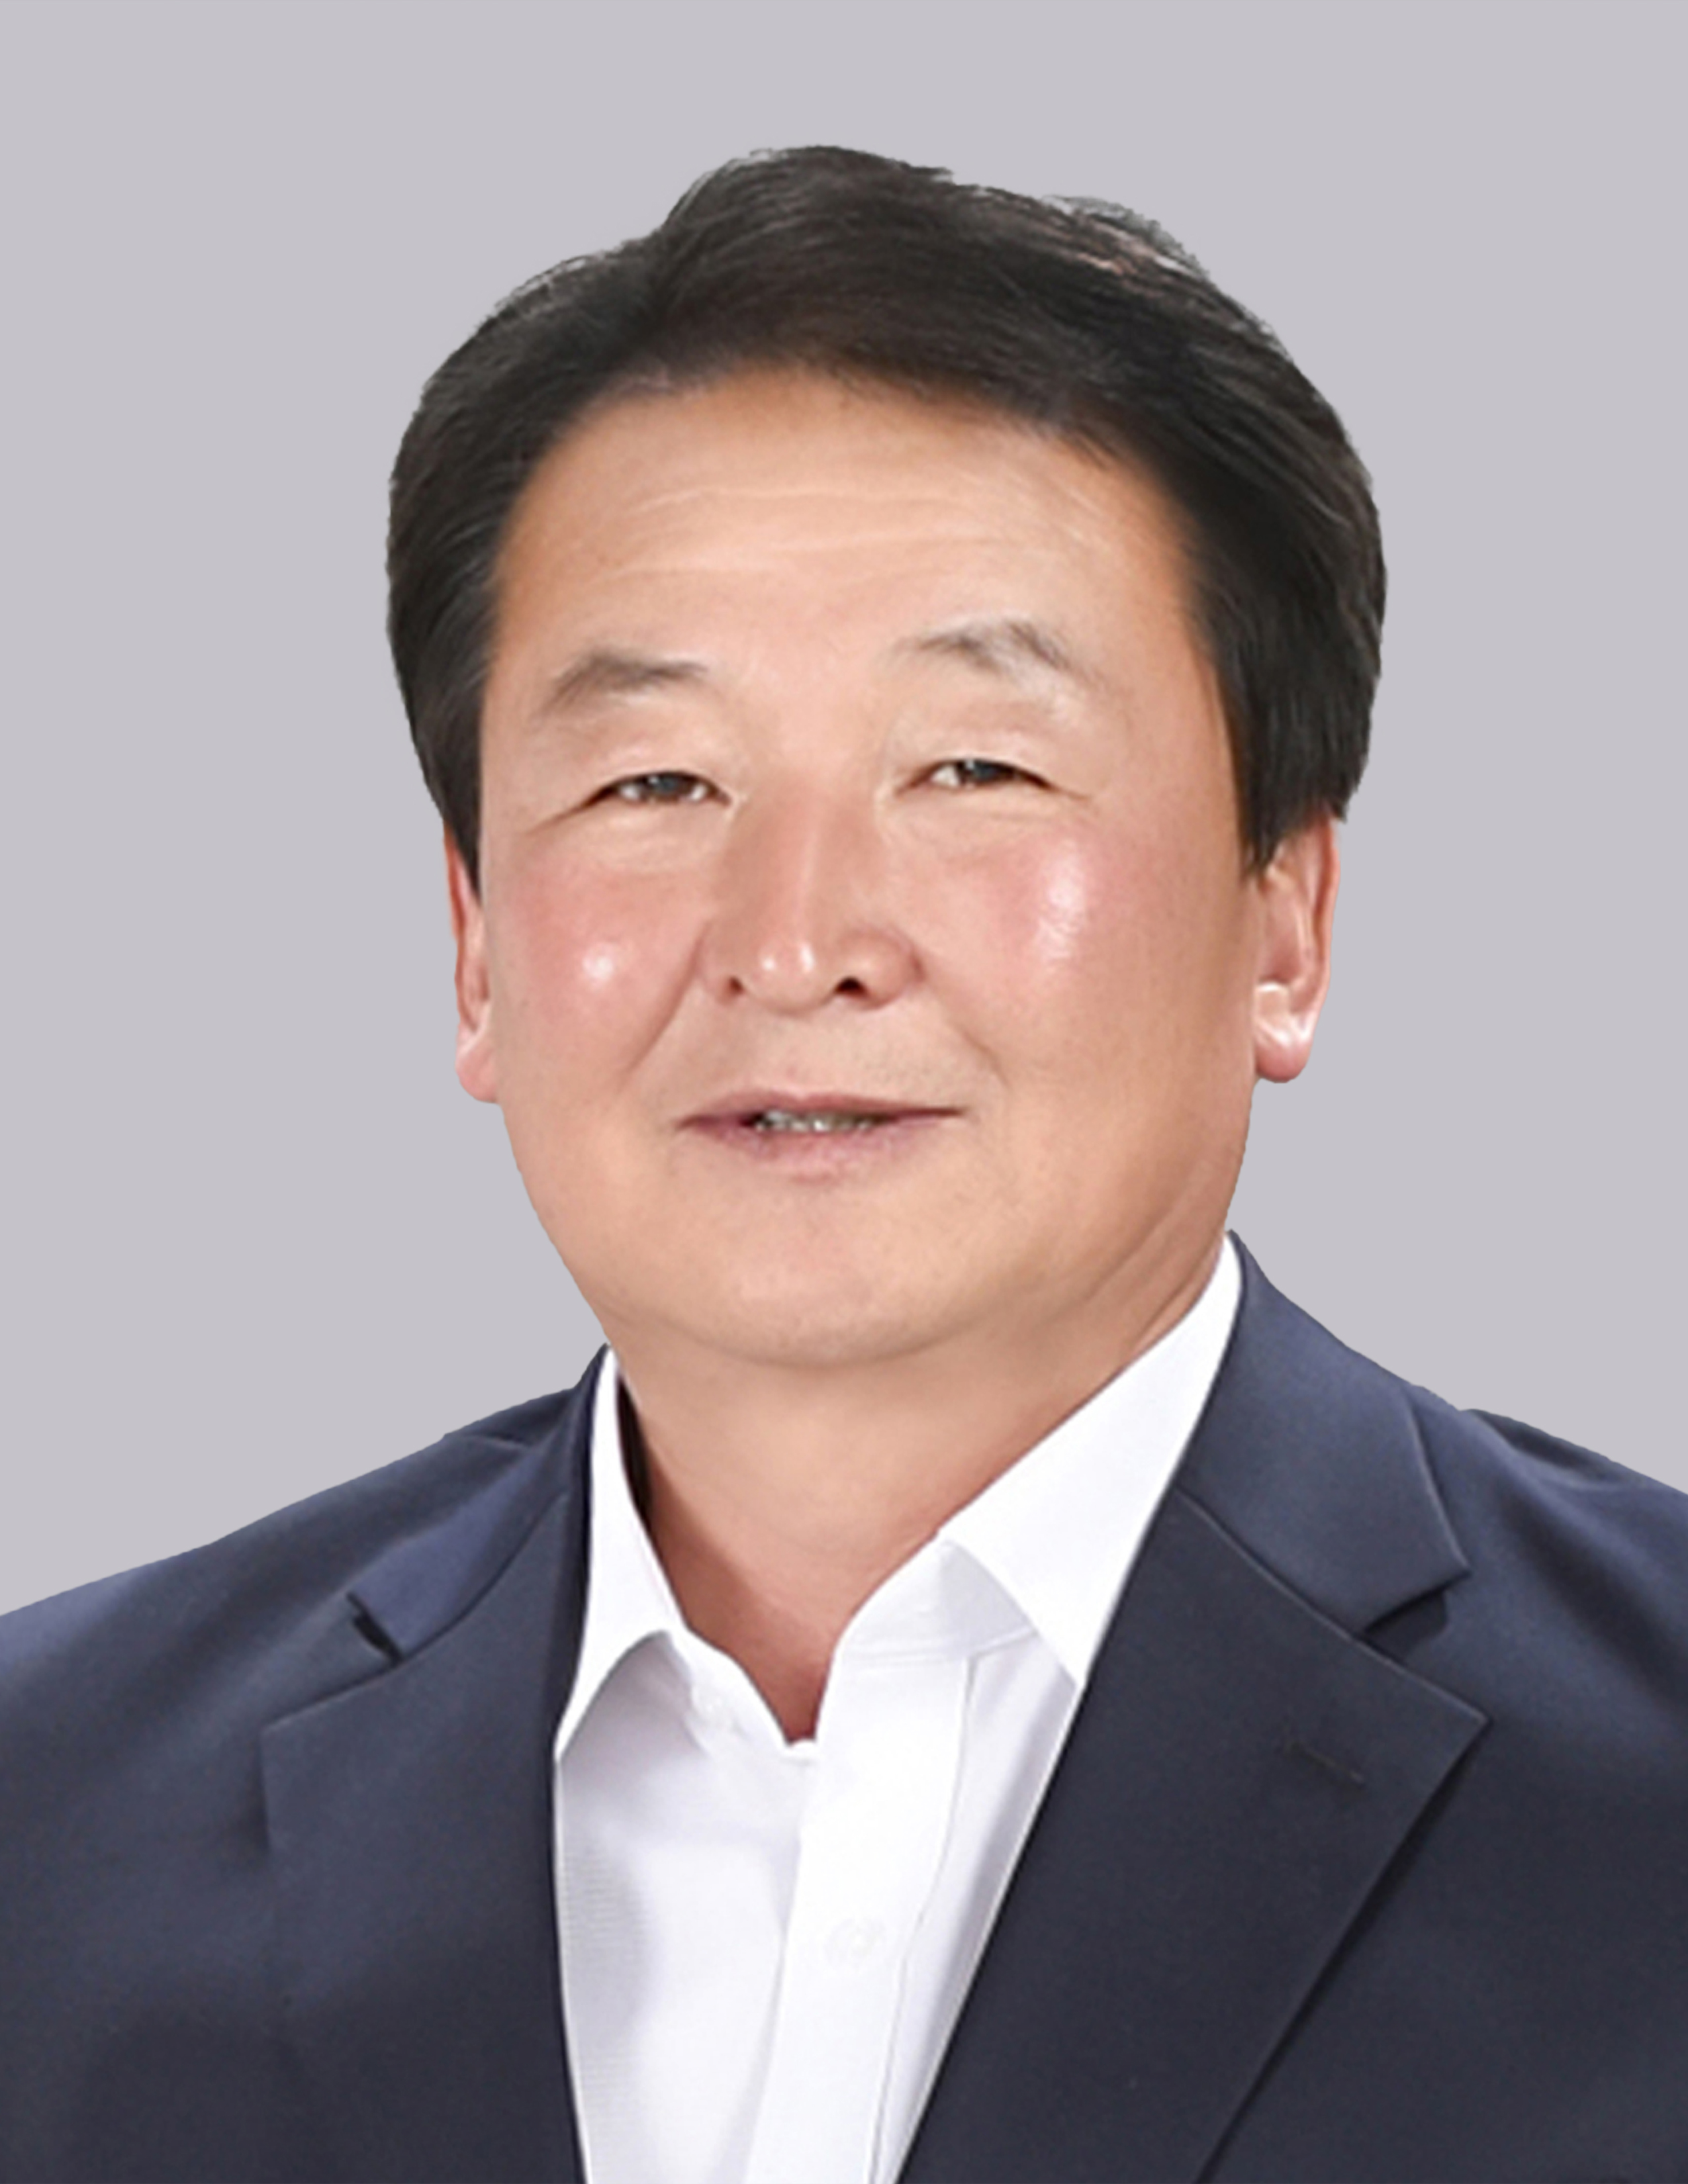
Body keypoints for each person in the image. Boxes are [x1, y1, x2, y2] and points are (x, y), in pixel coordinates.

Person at [1, 145, 1684, 2184]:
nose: (796, 941)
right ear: (473, 941)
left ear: (1286, 918)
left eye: (974, 765)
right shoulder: (50, 1809)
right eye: (656, 779)